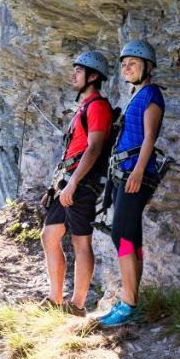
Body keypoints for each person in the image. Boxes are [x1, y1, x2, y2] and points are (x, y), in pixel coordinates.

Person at [40, 50, 113, 317]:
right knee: (49, 236)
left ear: (93, 76)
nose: (73, 75)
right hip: (68, 181)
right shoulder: (83, 108)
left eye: (79, 71)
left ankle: (78, 305)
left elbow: (93, 149)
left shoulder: (98, 107)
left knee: (81, 242)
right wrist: (55, 185)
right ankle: (55, 299)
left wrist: (72, 185)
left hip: (81, 183)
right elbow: (73, 149)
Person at [98, 40, 165, 327]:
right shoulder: (137, 95)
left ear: (147, 67)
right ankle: (131, 300)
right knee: (131, 237)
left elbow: (150, 138)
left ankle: (128, 302)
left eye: (133, 63)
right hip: (123, 174)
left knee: (121, 234)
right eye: (124, 63)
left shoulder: (151, 94)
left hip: (135, 174)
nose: (127, 67)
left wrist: (138, 171)